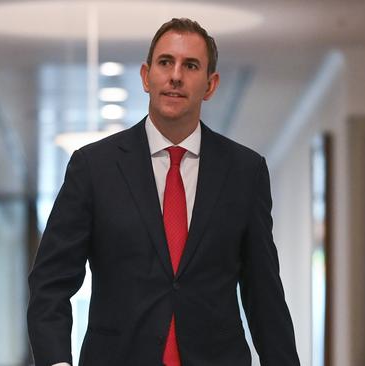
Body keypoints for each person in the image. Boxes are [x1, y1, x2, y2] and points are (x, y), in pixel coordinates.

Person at [27, 18, 300, 366]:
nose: (175, 75)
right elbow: (50, 282)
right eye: (165, 62)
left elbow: (264, 295)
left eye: (191, 66)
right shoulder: (94, 167)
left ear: (210, 84)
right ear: (146, 76)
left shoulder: (245, 172)